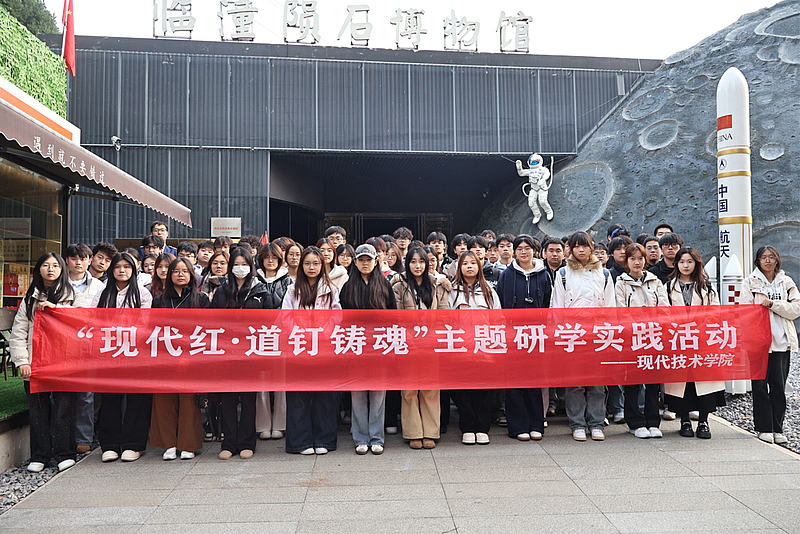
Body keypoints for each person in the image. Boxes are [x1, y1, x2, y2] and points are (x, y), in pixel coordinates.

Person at [10, 253, 77, 473]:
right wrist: (22, 361)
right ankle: (40, 455)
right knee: (37, 409)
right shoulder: (30, 299)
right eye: (46, 265)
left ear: (62, 269)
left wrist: (57, 309)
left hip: (64, 364)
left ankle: (64, 453)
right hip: (35, 364)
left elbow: (83, 318)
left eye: (56, 265)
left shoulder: (72, 295)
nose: (51, 269)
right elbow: (18, 333)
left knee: (64, 409)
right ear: (38, 269)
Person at [551, 232, 615, 442]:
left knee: (597, 383)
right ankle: (577, 424)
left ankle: (596, 423)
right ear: (570, 249)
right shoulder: (563, 273)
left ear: (591, 247)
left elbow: (610, 308)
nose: (581, 250)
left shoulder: (604, 273)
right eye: (576, 246)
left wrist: (609, 334)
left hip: (598, 335)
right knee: (575, 383)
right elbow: (557, 308)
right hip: (573, 335)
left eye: (584, 246)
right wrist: (560, 336)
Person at [91, 252, 153, 462]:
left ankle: (133, 444)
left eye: (126, 266)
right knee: (109, 398)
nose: (122, 270)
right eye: (118, 266)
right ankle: (109, 444)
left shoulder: (143, 293)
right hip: (108, 353)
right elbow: (94, 322)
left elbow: (144, 323)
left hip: (136, 353)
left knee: (137, 398)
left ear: (134, 270)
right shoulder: (102, 294)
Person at [283, 247, 342, 455]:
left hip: (323, 347)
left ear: (322, 265)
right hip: (298, 347)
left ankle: (324, 440)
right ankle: (300, 442)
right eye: (307, 263)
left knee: (324, 395)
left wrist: (322, 333)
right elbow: (285, 317)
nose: (311, 267)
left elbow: (337, 316)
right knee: (298, 396)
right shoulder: (292, 289)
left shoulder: (331, 289)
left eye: (316, 263)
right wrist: (301, 334)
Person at [212, 248, 269, 460]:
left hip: (251, 352)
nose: (240, 268)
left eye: (244, 264)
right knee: (227, 399)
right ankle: (228, 443)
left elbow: (270, 320)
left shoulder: (260, 290)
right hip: (226, 352)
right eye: (236, 264)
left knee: (248, 400)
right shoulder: (221, 291)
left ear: (251, 266)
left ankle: (247, 442)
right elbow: (212, 321)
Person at [340, 244, 396, 455]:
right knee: (358, 395)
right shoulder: (348, 287)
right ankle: (361, 438)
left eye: (369, 260)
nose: (365, 263)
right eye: (361, 260)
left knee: (378, 395)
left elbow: (393, 316)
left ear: (376, 262)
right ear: (355, 262)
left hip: (379, 346)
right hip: (355, 346)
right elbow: (342, 318)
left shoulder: (385, 285)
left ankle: (377, 438)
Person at [391, 247, 450, 449]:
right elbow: (396, 317)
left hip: (431, 345)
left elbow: (444, 316)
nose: (418, 266)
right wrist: (410, 338)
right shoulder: (399, 286)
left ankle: (430, 432)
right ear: (407, 263)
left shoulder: (437, 285)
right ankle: (413, 432)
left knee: (430, 389)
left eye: (422, 261)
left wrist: (432, 338)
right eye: (413, 261)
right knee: (409, 390)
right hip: (408, 344)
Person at [151, 257, 209, 461]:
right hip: (165, 357)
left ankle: (188, 444)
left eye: (185, 271)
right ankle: (168, 444)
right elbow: (152, 329)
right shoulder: (159, 300)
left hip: (192, 357)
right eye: (176, 271)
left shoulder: (201, 299)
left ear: (192, 275)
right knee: (164, 401)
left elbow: (207, 330)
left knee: (188, 402)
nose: (180, 274)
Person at [741, 246, 800, 445]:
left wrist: (774, 305)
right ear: (757, 261)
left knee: (778, 386)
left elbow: (796, 309)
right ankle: (764, 428)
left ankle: (778, 427)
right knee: (759, 386)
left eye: (771, 257)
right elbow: (746, 312)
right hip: (758, 343)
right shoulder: (750, 282)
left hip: (782, 343)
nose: (767, 261)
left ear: (777, 260)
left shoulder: (786, 282)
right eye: (763, 257)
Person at [496, 235, 552, 442]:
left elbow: (548, 303)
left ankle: (536, 423)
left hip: (536, 336)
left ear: (534, 251)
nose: (523, 252)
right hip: (513, 336)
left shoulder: (544, 274)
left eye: (527, 248)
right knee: (514, 383)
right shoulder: (506, 275)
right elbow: (500, 303)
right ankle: (518, 425)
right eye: (519, 248)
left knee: (534, 382)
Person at [664, 247, 722, 439]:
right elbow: (664, 312)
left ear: (696, 263)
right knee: (684, 384)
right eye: (682, 262)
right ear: (676, 264)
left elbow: (715, 312)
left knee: (705, 383)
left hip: (703, 341)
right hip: (678, 340)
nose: (686, 265)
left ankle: (704, 421)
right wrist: (679, 328)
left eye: (690, 261)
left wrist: (700, 328)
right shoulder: (668, 287)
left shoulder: (706, 286)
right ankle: (685, 421)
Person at [615, 243, 668, 439]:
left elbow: (664, 308)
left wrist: (654, 324)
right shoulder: (621, 282)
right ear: (626, 261)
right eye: (632, 259)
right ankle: (635, 422)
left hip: (654, 337)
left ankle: (653, 421)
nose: (637, 262)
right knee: (633, 383)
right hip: (633, 338)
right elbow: (620, 311)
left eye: (640, 258)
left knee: (653, 383)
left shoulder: (655, 281)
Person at [449, 251, 501, 445]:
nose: (469, 266)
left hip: (483, 347)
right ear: (459, 267)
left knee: (482, 390)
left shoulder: (489, 291)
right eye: (465, 263)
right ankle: (467, 427)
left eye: (473, 263)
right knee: (463, 391)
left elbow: (498, 319)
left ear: (479, 266)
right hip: (460, 348)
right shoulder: (452, 291)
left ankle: (482, 427)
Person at [64, 244, 105, 454]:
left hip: (89, 345)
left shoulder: (99, 286)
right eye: (74, 258)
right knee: (61, 394)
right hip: (62, 345)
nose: (78, 262)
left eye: (83, 258)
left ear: (89, 261)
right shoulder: (58, 283)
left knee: (87, 394)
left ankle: (84, 438)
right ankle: (61, 438)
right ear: (67, 260)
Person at [254, 243, 292, 441]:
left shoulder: (288, 281)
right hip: (258, 335)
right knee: (261, 381)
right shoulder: (254, 280)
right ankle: (262, 425)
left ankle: (280, 424)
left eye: (274, 257)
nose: (270, 261)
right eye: (267, 257)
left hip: (281, 335)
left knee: (281, 380)